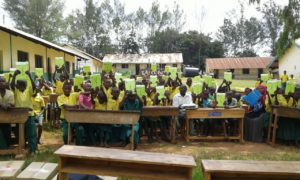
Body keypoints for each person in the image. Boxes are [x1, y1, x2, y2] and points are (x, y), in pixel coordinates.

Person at [11, 70, 37, 153]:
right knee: (19, 133)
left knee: (31, 133)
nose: (22, 86)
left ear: (26, 85)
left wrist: (30, 76)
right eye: (20, 84)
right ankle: (22, 148)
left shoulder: (28, 91)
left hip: (29, 115)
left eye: (24, 84)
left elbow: (34, 87)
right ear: (17, 86)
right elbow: (11, 86)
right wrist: (14, 76)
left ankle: (33, 150)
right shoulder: (16, 91)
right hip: (19, 117)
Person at [0, 76, 15, 149]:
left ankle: (7, 149)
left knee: (7, 133)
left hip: (7, 119)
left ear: (5, 83)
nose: (1, 83)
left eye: (3, 81)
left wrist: (8, 105)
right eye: (0, 81)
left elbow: (11, 104)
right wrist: (2, 105)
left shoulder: (10, 93)